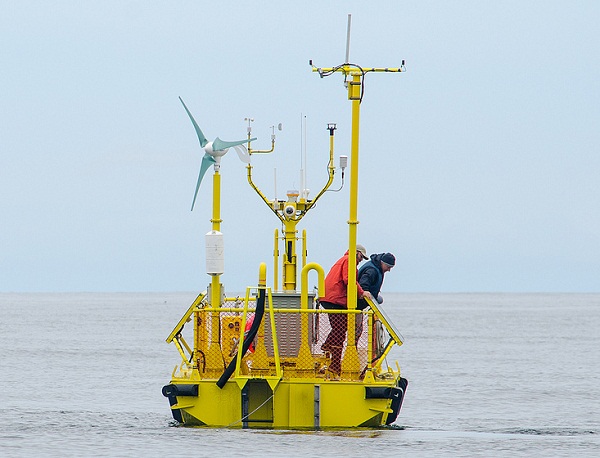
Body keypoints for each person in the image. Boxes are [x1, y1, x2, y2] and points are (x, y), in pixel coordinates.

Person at [319, 244, 372, 377]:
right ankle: (332, 355)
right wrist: (362, 293)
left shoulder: (342, 260)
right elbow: (348, 280)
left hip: (328, 297)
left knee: (339, 329)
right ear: (357, 253)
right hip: (334, 299)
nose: (361, 260)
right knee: (340, 330)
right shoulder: (349, 261)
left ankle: (332, 355)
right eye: (361, 257)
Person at [355, 252, 395, 341]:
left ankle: (352, 348)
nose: (389, 270)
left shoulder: (377, 267)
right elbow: (363, 284)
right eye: (388, 267)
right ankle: (352, 350)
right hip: (356, 305)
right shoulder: (372, 270)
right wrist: (365, 292)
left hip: (359, 305)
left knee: (357, 329)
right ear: (382, 263)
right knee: (356, 329)